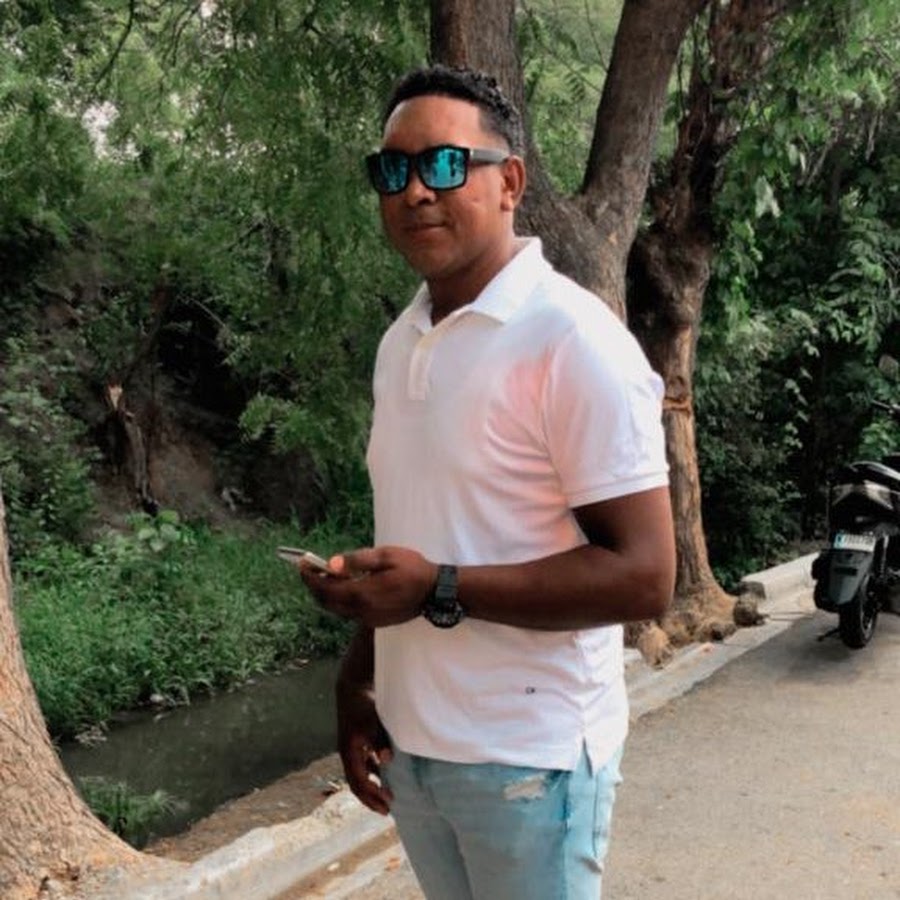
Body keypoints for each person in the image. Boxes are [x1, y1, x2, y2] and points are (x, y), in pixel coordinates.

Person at [299, 64, 676, 900]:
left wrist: (438, 587)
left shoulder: (573, 340)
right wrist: (359, 677)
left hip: (530, 762)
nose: (415, 191)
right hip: (417, 749)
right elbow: (421, 533)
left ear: (510, 182)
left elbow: (646, 576)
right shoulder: (403, 340)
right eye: (393, 169)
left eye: (444, 164)